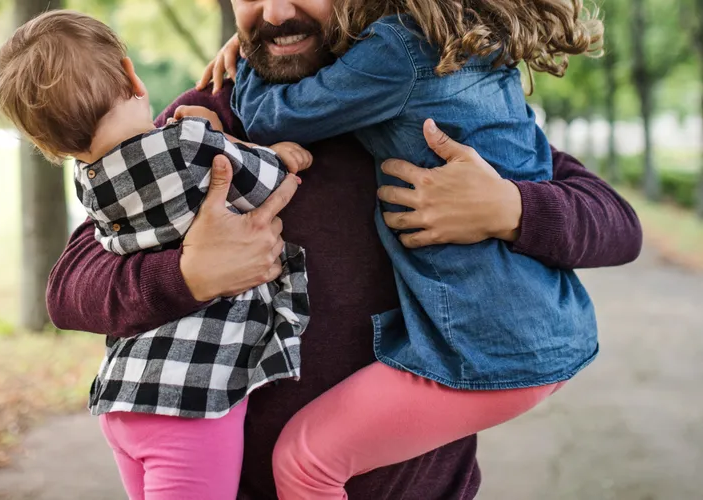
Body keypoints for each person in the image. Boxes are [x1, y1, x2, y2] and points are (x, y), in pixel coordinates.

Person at [47, 2, 643, 499]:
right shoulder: (211, 115)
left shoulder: (440, 100)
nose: (274, 13)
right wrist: (188, 274)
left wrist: (511, 209)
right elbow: (72, 284)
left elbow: (618, 224)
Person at [201, 1, 604, 497]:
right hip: (538, 328)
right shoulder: (457, 44)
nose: (278, 12)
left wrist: (248, 56)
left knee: (306, 462)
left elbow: (268, 118)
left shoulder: (397, 50)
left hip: (487, 341)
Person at [0, 11, 313, 499]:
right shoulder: (188, 141)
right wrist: (270, 152)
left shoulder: (91, 186)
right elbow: (267, 182)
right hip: (190, 397)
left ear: (45, 142)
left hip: (126, 392)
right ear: (132, 75)